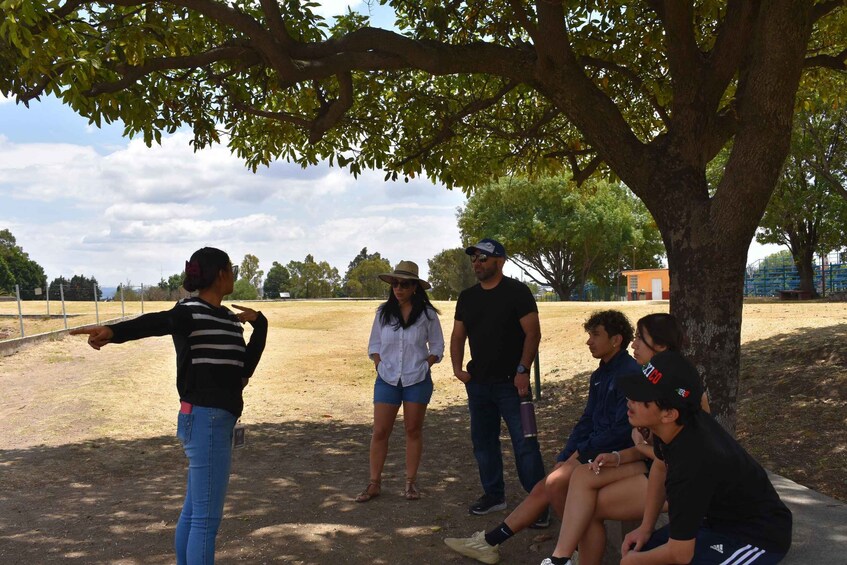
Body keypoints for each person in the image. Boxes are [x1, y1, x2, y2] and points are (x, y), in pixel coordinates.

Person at [70, 247, 267, 565]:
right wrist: (114, 332)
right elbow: (157, 322)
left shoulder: (229, 321)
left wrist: (261, 325)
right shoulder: (190, 311)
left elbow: (244, 370)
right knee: (206, 522)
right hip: (206, 420)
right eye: (231, 268)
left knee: (194, 512)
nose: (233, 274)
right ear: (221, 274)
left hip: (217, 420)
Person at [445, 308, 638, 564]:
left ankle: (568, 553)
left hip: (617, 456)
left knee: (555, 484)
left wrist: (579, 455)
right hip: (593, 451)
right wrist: (566, 454)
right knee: (549, 484)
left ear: (616, 340)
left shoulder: (629, 374)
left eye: (595, 335)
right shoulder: (600, 374)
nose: (588, 341)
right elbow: (587, 421)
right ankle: (490, 542)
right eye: (589, 334)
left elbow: (620, 431)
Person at [540, 313, 697, 565]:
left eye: (638, 339)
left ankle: (562, 559)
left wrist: (636, 447)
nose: (632, 345)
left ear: (661, 346)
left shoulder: (680, 384)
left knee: (585, 507)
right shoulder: (652, 376)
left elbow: (681, 454)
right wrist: (617, 456)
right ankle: (561, 558)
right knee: (581, 477)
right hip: (654, 465)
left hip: (674, 476)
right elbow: (653, 447)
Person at [615, 351, 792, 565]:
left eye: (641, 398)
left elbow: (680, 554)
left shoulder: (692, 463)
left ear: (669, 413)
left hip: (756, 536)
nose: (630, 401)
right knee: (644, 549)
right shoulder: (673, 428)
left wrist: (630, 562)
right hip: (713, 523)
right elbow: (661, 468)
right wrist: (645, 527)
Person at [449, 238, 546, 520]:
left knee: (525, 443)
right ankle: (494, 495)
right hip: (478, 386)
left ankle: (539, 504)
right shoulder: (467, 297)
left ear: (500, 260)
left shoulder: (517, 292)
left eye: (483, 258)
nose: (476, 263)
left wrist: (522, 370)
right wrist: (458, 369)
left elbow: (533, 333)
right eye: (474, 258)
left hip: (512, 385)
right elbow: (458, 335)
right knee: (483, 443)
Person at [356, 260, 444, 502]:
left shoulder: (427, 315)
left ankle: (411, 483)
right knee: (380, 431)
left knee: (413, 430)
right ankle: (374, 483)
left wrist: (425, 365)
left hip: (417, 379)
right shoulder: (383, 313)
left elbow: (437, 345)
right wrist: (379, 364)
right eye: (395, 284)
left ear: (415, 287)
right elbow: (374, 344)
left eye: (404, 284)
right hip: (387, 378)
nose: (399, 289)